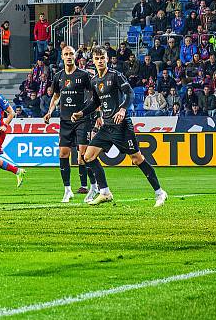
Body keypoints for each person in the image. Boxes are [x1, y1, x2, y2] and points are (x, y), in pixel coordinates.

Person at [71, 47, 168, 207]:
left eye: (102, 57)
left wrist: (123, 109)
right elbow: (95, 102)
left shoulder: (115, 75)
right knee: (87, 156)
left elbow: (130, 93)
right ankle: (105, 192)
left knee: (137, 159)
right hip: (107, 126)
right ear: (93, 61)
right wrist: (81, 113)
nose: (100, 61)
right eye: (97, 58)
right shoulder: (95, 80)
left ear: (107, 59)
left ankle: (160, 192)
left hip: (121, 126)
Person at [44, 45, 98, 203]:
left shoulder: (83, 75)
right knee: (63, 154)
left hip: (82, 120)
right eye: (66, 54)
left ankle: (93, 186)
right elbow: (55, 96)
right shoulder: (58, 76)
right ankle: (67, 190)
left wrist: (92, 113)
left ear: (75, 56)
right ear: (62, 56)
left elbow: (94, 96)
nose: (68, 56)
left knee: (84, 157)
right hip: (65, 120)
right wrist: (49, 111)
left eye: (71, 54)